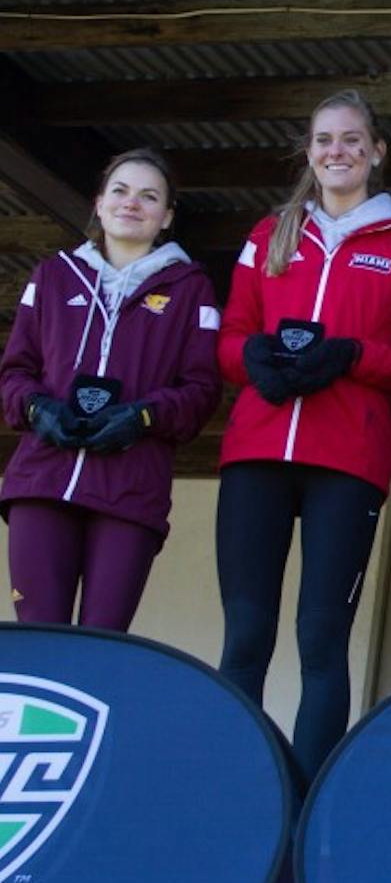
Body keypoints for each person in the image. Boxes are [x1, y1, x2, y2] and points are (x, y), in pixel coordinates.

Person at [216, 89, 391, 779]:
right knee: (246, 635)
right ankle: (239, 790)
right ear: (308, 153)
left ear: (377, 152)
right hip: (257, 450)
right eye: (323, 140)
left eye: (351, 140)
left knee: (321, 637)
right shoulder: (270, 235)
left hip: (347, 459)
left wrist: (349, 355)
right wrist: (252, 357)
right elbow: (228, 340)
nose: (336, 151)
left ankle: (306, 805)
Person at [0, 148, 221, 631]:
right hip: (42, 483)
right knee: (39, 635)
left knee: (103, 643)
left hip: (130, 489)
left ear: (166, 216)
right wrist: (39, 410)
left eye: (149, 196)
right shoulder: (54, 276)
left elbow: (202, 390)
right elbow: (14, 372)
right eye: (120, 191)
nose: (132, 204)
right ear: (99, 203)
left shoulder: (189, 289)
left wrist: (143, 416)